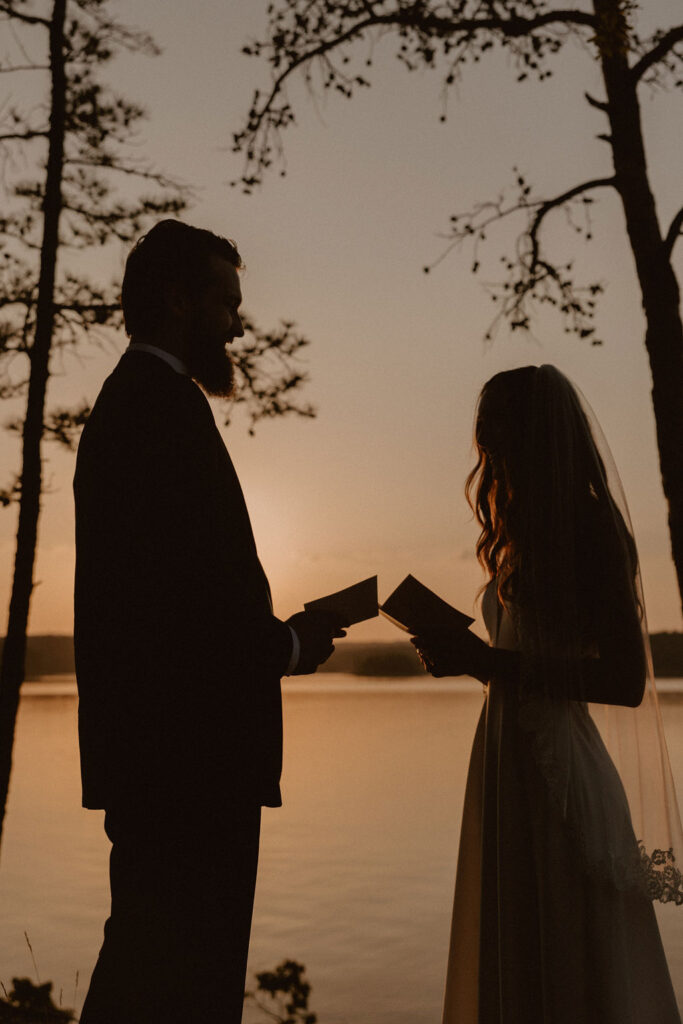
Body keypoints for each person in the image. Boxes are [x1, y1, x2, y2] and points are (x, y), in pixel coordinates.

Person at [73, 219, 347, 1024]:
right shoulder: (159, 409)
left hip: (167, 758)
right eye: (225, 302)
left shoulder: (141, 403)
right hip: (187, 760)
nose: (237, 321)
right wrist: (289, 645)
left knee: (154, 969)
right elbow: (187, 607)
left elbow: (180, 592)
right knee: (177, 978)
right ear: (177, 300)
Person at [412, 365, 682, 1024]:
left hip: (556, 774)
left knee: (569, 965)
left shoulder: (590, 530)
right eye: (488, 444)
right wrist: (472, 663)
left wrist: (489, 660)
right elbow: (517, 665)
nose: (493, 458)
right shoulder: (518, 535)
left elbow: (621, 681)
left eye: (502, 440)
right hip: (506, 764)